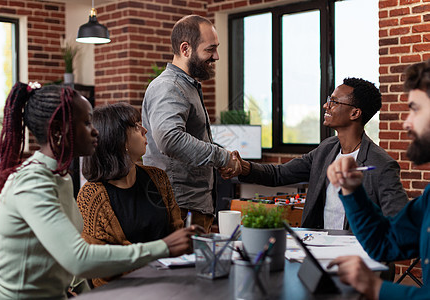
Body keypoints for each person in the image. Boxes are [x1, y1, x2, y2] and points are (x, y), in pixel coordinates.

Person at [0, 83, 199, 299]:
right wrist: (164, 247)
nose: (95, 131)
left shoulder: (61, 178)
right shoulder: (32, 183)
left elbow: (71, 271)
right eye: (86, 123)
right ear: (58, 131)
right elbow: (79, 259)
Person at [221, 78, 408, 230]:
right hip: (319, 250)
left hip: (359, 256)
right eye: (329, 99)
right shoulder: (326, 149)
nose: (326, 105)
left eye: (334, 101)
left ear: (355, 113)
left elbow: (398, 224)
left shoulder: (382, 165)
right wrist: (244, 168)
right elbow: (279, 174)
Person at [326, 60, 430, 299]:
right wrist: (353, 192)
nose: (406, 123)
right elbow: (385, 242)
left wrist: (374, 287)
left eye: (416, 109)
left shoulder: (382, 162)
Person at [142, 15, 240, 233]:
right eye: (210, 49)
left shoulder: (187, 86)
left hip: (190, 204)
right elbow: (170, 139)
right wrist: (222, 157)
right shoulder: (170, 87)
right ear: (185, 49)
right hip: (178, 207)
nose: (216, 56)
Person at [77, 102, 184, 287]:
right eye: (135, 126)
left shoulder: (158, 178)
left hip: (168, 281)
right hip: (122, 290)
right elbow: (101, 265)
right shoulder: (91, 195)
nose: (144, 130)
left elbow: (177, 231)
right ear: (119, 140)